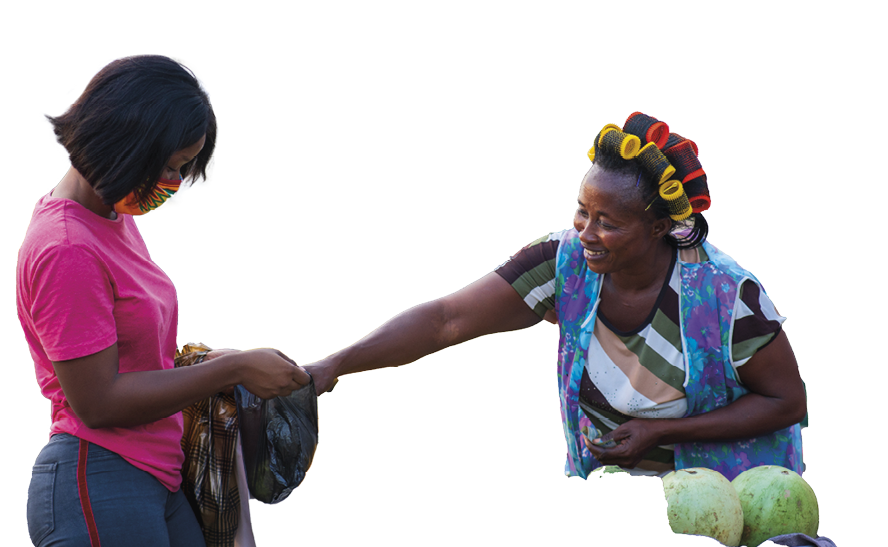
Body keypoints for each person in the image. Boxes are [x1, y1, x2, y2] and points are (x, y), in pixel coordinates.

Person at [305, 112, 806, 481]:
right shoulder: (564, 263)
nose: (586, 233)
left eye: (608, 222)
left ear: (658, 227)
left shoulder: (724, 296)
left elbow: (785, 400)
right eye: (583, 211)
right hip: (625, 497)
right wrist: (333, 365)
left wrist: (661, 432)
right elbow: (446, 320)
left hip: (741, 496)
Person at [17, 54, 310, 547]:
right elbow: (99, 402)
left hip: (157, 474)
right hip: (101, 479)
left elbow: (136, 359)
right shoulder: (66, 247)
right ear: (126, 145)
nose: (175, 182)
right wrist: (233, 370)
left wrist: (212, 362)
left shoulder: (111, 216)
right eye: (171, 166)